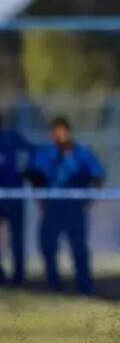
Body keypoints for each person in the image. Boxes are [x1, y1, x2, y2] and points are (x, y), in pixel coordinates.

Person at [27, 117, 104, 294]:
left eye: (63, 131)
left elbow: (98, 176)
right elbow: (35, 177)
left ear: (69, 132)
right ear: (52, 134)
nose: (60, 135)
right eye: (56, 132)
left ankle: (84, 285)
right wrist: (40, 200)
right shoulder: (44, 154)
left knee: (78, 247)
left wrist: (89, 199)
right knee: (48, 245)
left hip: (74, 208)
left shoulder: (82, 153)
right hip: (52, 208)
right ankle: (53, 284)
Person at [0, 113, 33, 286]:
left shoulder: (12, 138)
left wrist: (26, 172)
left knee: (17, 238)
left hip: (14, 196)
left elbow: (33, 152)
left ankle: (19, 276)